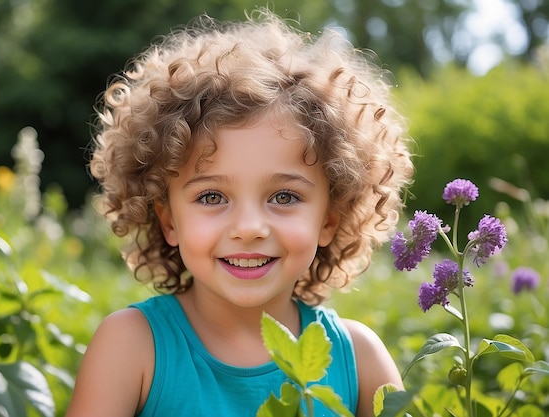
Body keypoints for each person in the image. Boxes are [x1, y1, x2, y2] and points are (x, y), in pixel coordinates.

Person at [66, 7, 413, 417]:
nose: (248, 228)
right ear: (168, 220)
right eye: (212, 197)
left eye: (284, 197)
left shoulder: (361, 361)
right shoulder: (131, 348)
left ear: (330, 220)